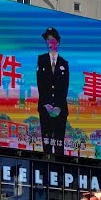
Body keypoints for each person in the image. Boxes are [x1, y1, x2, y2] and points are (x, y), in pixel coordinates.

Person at [37, 27, 70, 155]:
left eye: (52, 39)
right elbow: (40, 84)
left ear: (58, 42)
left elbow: (64, 88)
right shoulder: (41, 59)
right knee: (46, 143)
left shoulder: (64, 63)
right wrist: (47, 105)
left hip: (60, 110)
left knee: (58, 143)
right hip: (45, 108)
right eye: (48, 40)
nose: (50, 42)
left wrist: (58, 107)